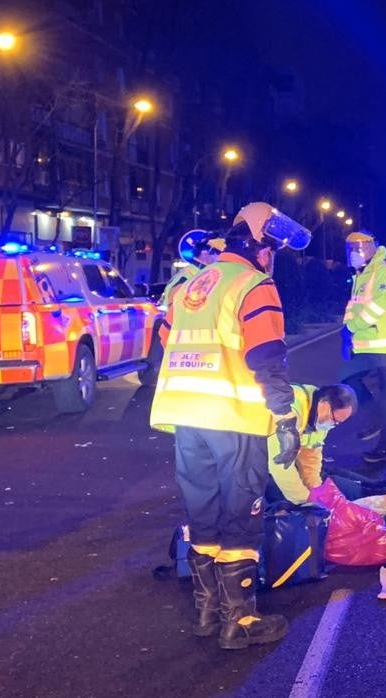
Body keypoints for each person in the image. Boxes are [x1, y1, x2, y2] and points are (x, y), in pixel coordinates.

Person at [150, 202, 311, 650]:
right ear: (261, 247)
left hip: (187, 416)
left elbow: (165, 337)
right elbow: (265, 356)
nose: (272, 257)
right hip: (234, 418)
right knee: (241, 517)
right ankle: (239, 621)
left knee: (202, 514)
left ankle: (206, 612)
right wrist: (284, 415)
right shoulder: (254, 285)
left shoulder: (192, 283)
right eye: (272, 249)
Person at [340, 231, 386, 464]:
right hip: (366, 347)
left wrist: (351, 327)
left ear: (373, 248)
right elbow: (356, 308)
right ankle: (374, 418)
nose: (354, 253)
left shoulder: (384, 273)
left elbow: (375, 309)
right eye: (351, 248)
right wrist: (348, 335)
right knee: (348, 380)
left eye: (359, 247)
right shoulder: (361, 276)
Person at [266, 383, 358, 504]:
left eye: (336, 424)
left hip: (269, 463)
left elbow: (310, 458)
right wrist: (305, 499)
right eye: (333, 418)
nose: (330, 424)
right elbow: (280, 466)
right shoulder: (291, 408)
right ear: (324, 400)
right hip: (245, 455)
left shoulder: (319, 420)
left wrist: (316, 491)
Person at [160, 229, 224, 308]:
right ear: (205, 252)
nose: (219, 258)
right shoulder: (188, 278)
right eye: (218, 253)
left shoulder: (191, 273)